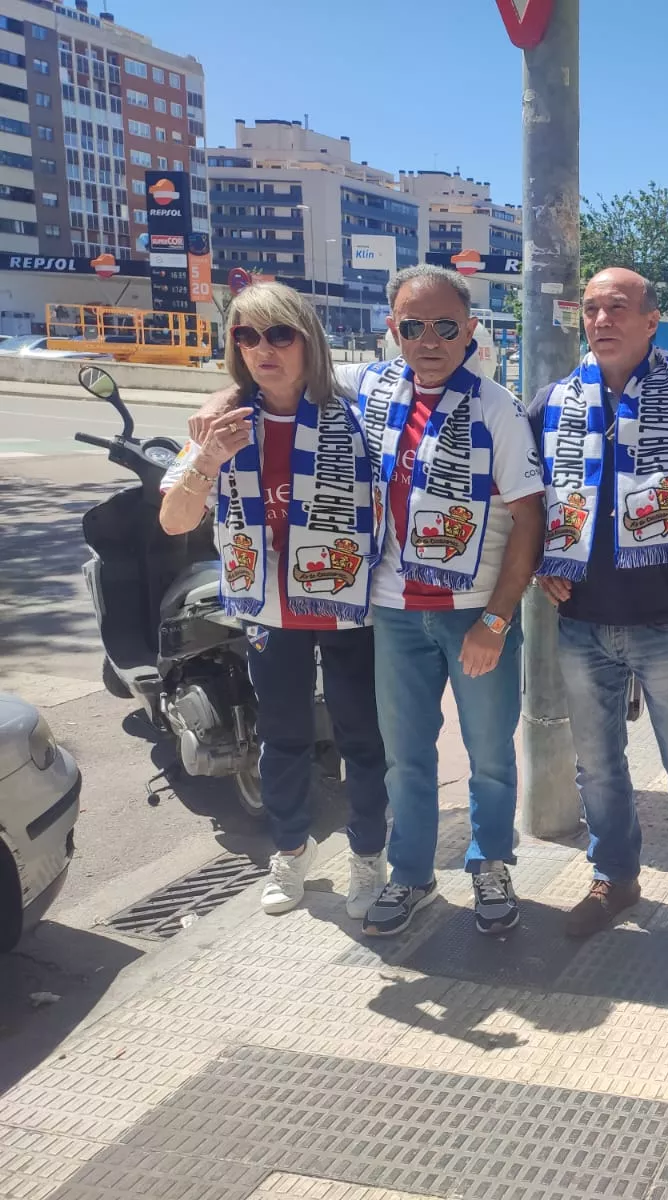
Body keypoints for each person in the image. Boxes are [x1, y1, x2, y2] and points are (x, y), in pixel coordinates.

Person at [192, 265, 544, 939]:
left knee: (491, 756)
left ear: (470, 329)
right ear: (393, 331)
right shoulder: (370, 387)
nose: (430, 339)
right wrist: (219, 397)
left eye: (446, 326)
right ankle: (410, 875)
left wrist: (496, 620)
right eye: (413, 326)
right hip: (392, 614)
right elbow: (279, 375)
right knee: (406, 756)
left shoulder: (496, 407)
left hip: (473, 614)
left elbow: (530, 519)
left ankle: (491, 865)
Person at [159, 282, 388, 919]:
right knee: (281, 738)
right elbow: (175, 520)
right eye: (246, 336)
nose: (264, 349)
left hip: (349, 604)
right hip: (267, 609)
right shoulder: (223, 426)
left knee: (362, 737)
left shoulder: (360, 411)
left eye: (279, 334)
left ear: (307, 339)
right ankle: (290, 851)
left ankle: (369, 856)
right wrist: (209, 459)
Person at [530, 267, 668, 946]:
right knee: (598, 767)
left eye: (617, 307)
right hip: (583, 622)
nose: (601, 320)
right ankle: (615, 879)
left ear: (653, 320)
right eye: (591, 308)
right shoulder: (551, 403)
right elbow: (521, 500)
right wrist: (538, 561)